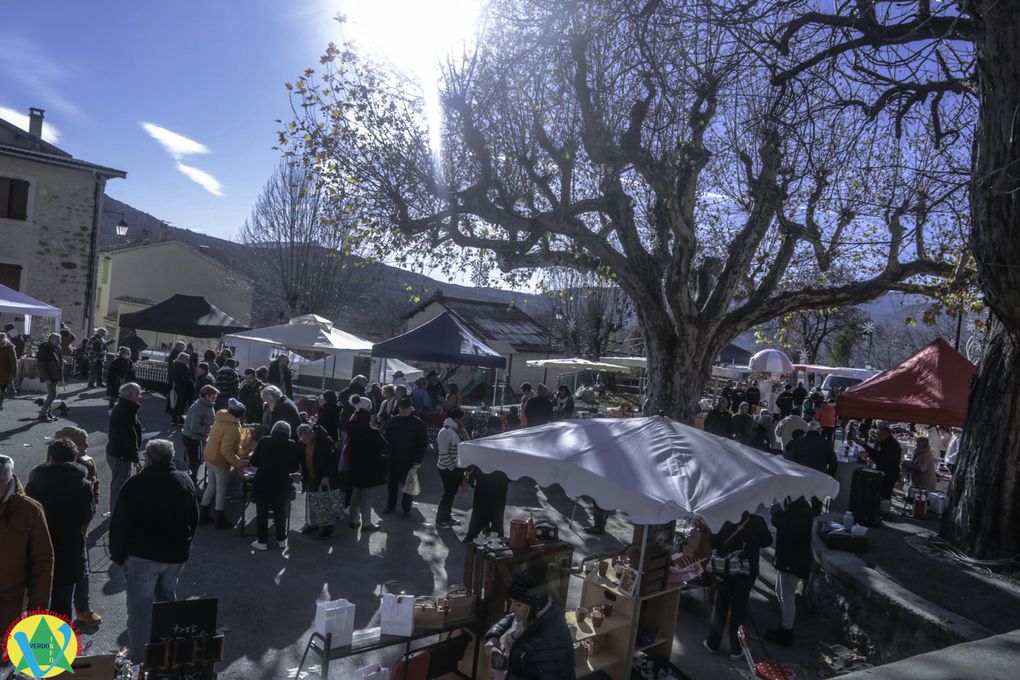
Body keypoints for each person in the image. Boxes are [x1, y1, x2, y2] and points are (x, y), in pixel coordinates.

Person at [109, 439, 199, 663]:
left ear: (148, 459)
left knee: (140, 611)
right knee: (167, 601)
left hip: (143, 557)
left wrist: (118, 555)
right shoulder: (184, 480)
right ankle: (168, 652)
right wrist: (187, 545)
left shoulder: (135, 484)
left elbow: (119, 523)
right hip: (175, 556)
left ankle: (140, 659)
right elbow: (193, 518)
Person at [25, 439, 95, 621]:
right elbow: (85, 517)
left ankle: (36, 646)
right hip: (69, 551)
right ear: (74, 459)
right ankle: (61, 647)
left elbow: (28, 516)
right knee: (62, 606)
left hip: (39, 549)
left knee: (37, 604)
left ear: (50, 458)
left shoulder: (36, 481)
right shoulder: (83, 484)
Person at [484, 563, 574, 680]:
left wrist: (505, 677)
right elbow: (512, 617)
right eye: (512, 602)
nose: (512, 608)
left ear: (534, 606)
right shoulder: (538, 612)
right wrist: (494, 636)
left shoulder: (550, 641)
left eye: (517, 604)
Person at [703, 511, 773, 659]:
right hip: (747, 573)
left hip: (725, 571)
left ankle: (712, 644)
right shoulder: (757, 521)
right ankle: (736, 648)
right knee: (739, 609)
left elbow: (713, 542)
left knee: (721, 607)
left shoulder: (725, 517)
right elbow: (767, 542)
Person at [0, 454, 54, 637]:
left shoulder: (29, 511)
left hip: (10, 609)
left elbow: (43, 561)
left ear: (7, 480)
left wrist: (37, 612)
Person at [764, 496, 815, 646]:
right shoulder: (792, 504)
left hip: (793, 560)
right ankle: (784, 624)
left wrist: (778, 514)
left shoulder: (802, 509)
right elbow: (782, 525)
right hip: (786, 558)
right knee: (780, 592)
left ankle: (786, 631)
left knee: (786, 596)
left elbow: (790, 530)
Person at [249, 421, 302, 551]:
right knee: (280, 512)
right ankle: (281, 539)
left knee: (262, 512)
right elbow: (294, 467)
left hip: (263, 481)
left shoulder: (264, 441)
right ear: (288, 432)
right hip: (281, 483)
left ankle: (262, 541)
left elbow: (254, 461)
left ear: (274, 430)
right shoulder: (291, 444)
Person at [199, 399, 248, 529]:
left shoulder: (220, 418)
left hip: (209, 456)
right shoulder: (232, 428)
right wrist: (239, 463)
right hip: (219, 462)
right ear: (240, 415)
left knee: (211, 487)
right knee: (221, 491)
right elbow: (226, 451)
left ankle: (202, 515)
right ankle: (220, 520)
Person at [384, 397, 427, 517]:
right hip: (394, 458)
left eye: (405, 408)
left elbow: (422, 443)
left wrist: (418, 460)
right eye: (400, 408)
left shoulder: (418, 423)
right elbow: (386, 437)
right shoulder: (394, 420)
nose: (402, 410)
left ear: (411, 408)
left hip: (410, 460)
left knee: (408, 486)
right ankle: (390, 506)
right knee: (392, 484)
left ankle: (406, 509)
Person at [346, 407, 388, 531]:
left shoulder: (352, 430)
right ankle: (366, 523)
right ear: (369, 418)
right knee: (367, 498)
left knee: (355, 496)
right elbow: (384, 447)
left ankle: (354, 520)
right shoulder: (373, 432)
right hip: (370, 469)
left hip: (355, 466)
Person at [297, 422, 341, 538]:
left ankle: (327, 529)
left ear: (310, 434)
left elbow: (332, 460)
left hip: (323, 476)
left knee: (325, 502)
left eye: (304, 438)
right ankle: (312, 524)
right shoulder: (306, 442)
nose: (303, 441)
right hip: (311, 476)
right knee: (311, 500)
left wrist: (326, 476)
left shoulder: (325, 441)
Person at [107, 382, 143, 513]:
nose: (140, 396)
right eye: (138, 394)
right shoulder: (126, 411)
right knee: (119, 483)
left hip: (118, 452)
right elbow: (129, 437)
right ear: (131, 395)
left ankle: (117, 509)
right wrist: (136, 458)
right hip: (120, 454)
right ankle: (115, 511)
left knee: (120, 481)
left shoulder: (126, 407)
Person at [435, 408, 469, 528]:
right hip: (447, 469)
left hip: (456, 467)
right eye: (463, 419)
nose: (464, 422)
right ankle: (440, 519)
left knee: (451, 494)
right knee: (448, 494)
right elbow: (443, 453)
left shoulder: (458, 430)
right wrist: (452, 468)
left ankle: (447, 516)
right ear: (456, 419)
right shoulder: (445, 432)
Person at [854, 424, 902, 500]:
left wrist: (866, 446)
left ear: (886, 434)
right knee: (883, 494)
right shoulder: (888, 443)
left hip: (888, 473)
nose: (878, 436)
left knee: (884, 495)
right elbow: (879, 456)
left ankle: (882, 510)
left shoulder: (889, 444)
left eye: (880, 434)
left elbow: (879, 457)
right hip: (888, 472)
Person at [181, 385, 218, 483]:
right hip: (191, 438)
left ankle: (192, 479)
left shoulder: (207, 404)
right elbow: (194, 427)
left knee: (196, 461)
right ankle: (191, 482)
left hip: (196, 437)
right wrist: (210, 429)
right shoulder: (199, 407)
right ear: (207, 395)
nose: (215, 399)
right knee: (195, 463)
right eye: (213, 397)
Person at [463, 466, 510, 544]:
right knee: (497, 512)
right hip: (499, 480)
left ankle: (472, 536)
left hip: (485, 479)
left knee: (479, 510)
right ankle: (496, 538)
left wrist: (471, 475)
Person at [36, 332, 63, 423]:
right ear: (50, 339)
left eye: (59, 339)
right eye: (56, 339)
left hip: (54, 375)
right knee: (52, 395)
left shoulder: (56, 349)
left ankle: (47, 413)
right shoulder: (46, 349)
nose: (58, 341)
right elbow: (42, 366)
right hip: (50, 376)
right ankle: (42, 414)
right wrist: (46, 378)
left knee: (53, 395)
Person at [168, 352, 194, 426]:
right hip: (184, 387)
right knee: (181, 405)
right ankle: (180, 420)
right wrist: (191, 382)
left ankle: (174, 419)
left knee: (178, 404)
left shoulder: (175, 365)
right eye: (188, 359)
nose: (189, 360)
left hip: (178, 387)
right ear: (185, 359)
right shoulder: (183, 367)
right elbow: (185, 378)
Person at [105, 346, 135, 410]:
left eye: (129, 353)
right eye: (127, 353)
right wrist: (109, 384)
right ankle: (110, 409)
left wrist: (133, 381)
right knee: (114, 396)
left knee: (124, 397)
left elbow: (132, 372)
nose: (128, 354)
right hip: (116, 382)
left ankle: (121, 410)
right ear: (122, 354)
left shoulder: (130, 362)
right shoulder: (116, 362)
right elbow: (111, 374)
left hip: (126, 382)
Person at [0, 332, 17, 411]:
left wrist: (13, 374)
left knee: (2, 391)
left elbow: (14, 363)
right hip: (4, 374)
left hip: (5, 374)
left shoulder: (9, 348)